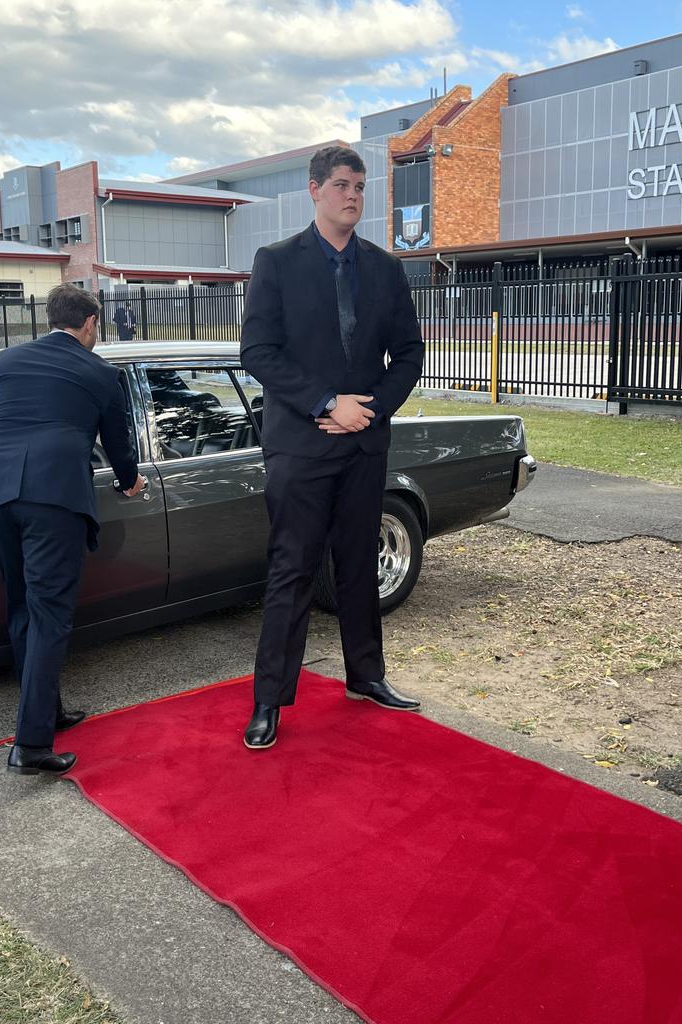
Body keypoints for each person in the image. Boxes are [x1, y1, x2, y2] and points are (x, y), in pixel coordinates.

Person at [239, 145, 425, 749]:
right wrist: (326, 404)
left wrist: (365, 413)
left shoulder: (384, 268)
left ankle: (365, 676)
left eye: (361, 186)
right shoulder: (276, 262)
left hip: (364, 444)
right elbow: (259, 353)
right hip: (300, 445)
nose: (354, 195)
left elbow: (409, 356)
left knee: (357, 566)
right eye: (343, 184)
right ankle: (270, 700)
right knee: (292, 570)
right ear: (314, 191)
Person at [0, 284, 145, 776]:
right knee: (51, 613)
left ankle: (46, 708)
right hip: (52, 498)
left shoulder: (1, 363)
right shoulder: (99, 372)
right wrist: (129, 480)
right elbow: (118, 443)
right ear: (90, 323)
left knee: (22, 605)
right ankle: (31, 745)